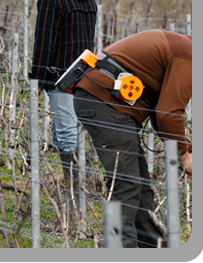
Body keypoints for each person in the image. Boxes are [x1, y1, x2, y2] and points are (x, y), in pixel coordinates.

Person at [72, 30, 192, 248]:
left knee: (140, 186)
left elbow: (162, 112)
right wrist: (183, 154)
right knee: (125, 183)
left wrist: (182, 148)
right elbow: (168, 113)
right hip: (103, 101)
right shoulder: (189, 56)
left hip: (107, 102)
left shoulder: (185, 48)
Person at [29, 0, 97, 209]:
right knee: (73, 134)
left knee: (66, 137)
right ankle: (80, 196)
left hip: (60, 77)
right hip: (86, 75)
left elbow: (43, 42)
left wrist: (37, 79)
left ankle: (74, 203)